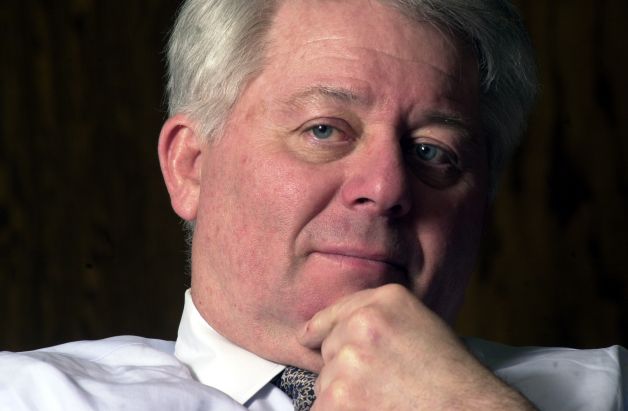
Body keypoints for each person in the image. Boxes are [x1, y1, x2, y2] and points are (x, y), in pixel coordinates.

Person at [1, 0, 626, 410]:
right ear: (191, 166)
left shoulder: (611, 389)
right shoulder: (26, 397)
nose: (387, 187)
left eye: (432, 151)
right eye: (324, 129)